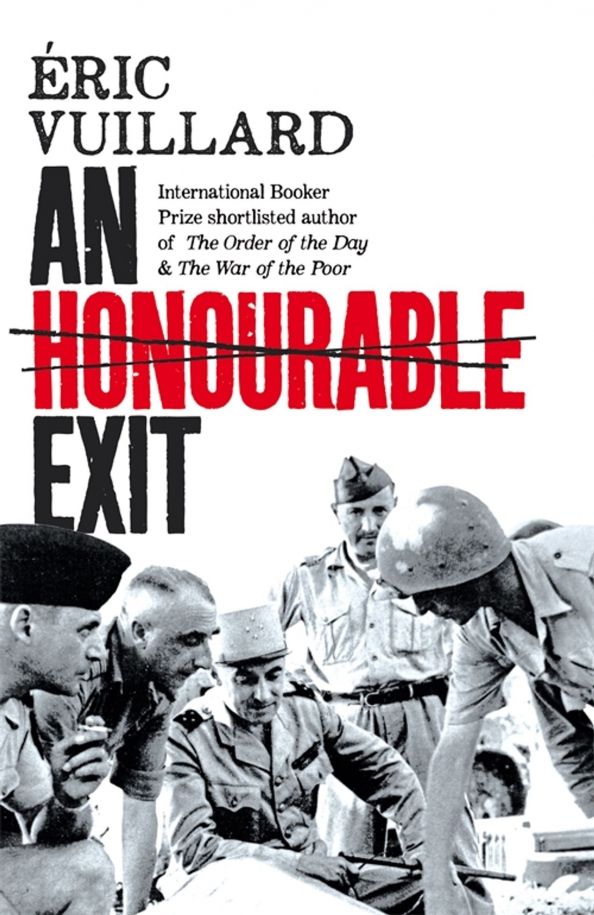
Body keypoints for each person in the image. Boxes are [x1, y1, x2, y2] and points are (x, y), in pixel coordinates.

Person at [376, 485, 594, 915]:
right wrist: (438, 882)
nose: (422, 608)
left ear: (468, 569)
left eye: (427, 590)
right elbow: (453, 749)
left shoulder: (583, 572)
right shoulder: (480, 632)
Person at [160, 603, 429, 915]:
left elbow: (387, 773)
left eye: (274, 676)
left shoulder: (306, 710)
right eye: (246, 680)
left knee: (435, 884)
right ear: (217, 677)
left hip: (318, 880)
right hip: (234, 895)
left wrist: (422, 848)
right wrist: (297, 863)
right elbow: (196, 850)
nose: (263, 694)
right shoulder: (187, 737)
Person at [272, 456, 465, 858]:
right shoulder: (308, 577)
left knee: (447, 838)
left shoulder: (429, 566)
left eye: (380, 511)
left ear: (396, 506)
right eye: (356, 513)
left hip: (422, 716)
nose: (369, 525)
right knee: (346, 851)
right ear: (336, 514)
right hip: (347, 723)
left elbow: (472, 636)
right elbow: (258, 640)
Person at [34, 565, 219, 915]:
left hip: (50, 819)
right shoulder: (73, 670)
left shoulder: (158, 686)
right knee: (87, 865)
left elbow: (141, 805)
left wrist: (137, 910)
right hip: (19, 820)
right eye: (191, 640)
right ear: (140, 632)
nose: (206, 661)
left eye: (210, 638)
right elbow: (43, 820)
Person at [0, 522, 130, 915]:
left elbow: (42, 830)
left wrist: (69, 797)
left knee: (88, 868)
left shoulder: (10, 712)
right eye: (85, 630)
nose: (98, 652)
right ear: (26, 625)